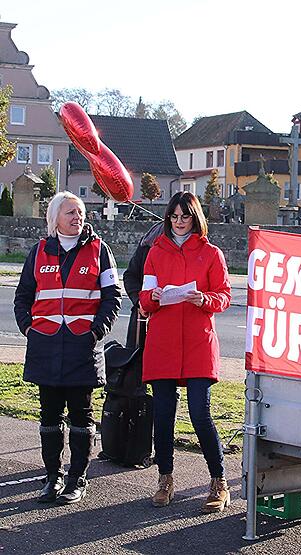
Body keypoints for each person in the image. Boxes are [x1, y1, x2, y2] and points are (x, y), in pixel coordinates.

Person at [14, 191, 121, 504]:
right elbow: (23, 297)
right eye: (70, 212)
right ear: (54, 219)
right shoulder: (38, 252)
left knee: (80, 415)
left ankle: (77, 478)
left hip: (81, 347)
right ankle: (52, 477)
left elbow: (112, 297)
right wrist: (28, 328)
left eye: (80, 212)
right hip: (45, 346)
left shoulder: (100, 250)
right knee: (49, 416)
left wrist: (95, 331)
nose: (78, 217)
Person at [139, 191, 232, 513]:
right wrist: (155, 296)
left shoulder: (211, 253)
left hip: (196, 342)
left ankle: (218, 480)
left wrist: (204, 300)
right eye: (174, 217)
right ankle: (165, 479)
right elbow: (144, 299)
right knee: (163, 417)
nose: (179, 222)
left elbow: (223, 296)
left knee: (200, 414)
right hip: (163, 342)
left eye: (185, 216)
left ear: (195, 218)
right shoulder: (155, 252)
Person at [122, 221, 163, 348]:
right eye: (174, 216)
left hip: (178, 324)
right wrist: (140, 302)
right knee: (138, 364)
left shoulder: (197, 244)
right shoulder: (150, 240)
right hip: (143, 319)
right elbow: (130, 276)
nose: (179, 222)